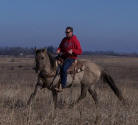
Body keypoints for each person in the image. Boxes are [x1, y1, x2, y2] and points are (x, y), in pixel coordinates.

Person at [55, 26, 82, 91]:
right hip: (63, 56)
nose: (66, 33)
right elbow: (60, 47)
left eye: (68, 32)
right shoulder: (64, 39)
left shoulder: (75, 40)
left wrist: (73, 50)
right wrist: (58, 50)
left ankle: (63, 85)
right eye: (66, 32)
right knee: (53, 63)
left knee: (64, 69)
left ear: (71, 32)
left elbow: (80, 51)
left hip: (71, 58)